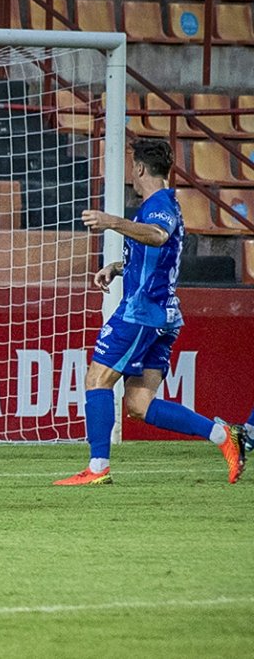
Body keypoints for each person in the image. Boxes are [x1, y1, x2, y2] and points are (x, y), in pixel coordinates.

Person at [55, 138, 246, 486]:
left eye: (132, 166)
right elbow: (157, 256)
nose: (131, 172)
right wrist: (116, 267)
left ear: (140, 168)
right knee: (140, 404)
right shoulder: (164, 204)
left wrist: (111, 220)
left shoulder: (158, 205)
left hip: (142, 313)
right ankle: (224, 436)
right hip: (163, 314)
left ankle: (97, 468)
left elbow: (157, 237)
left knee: (97, 379)